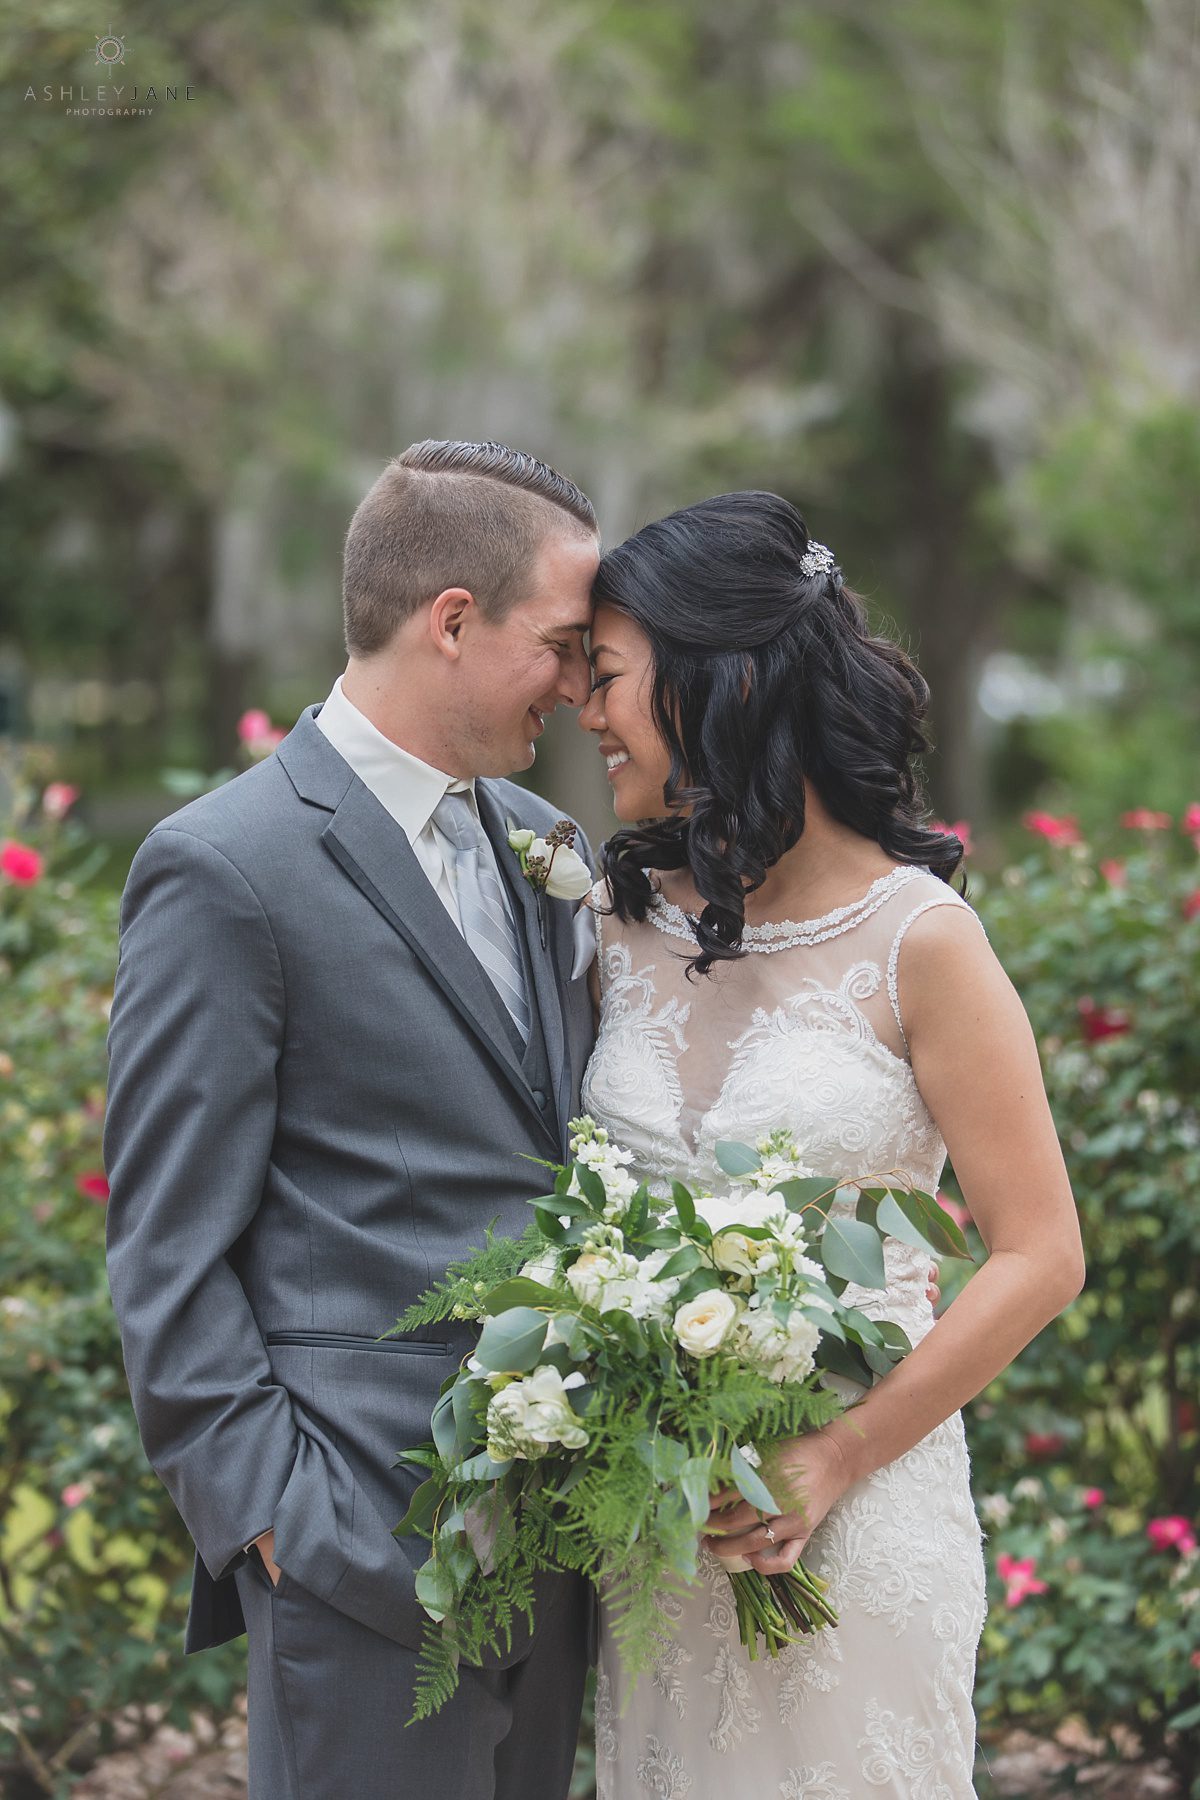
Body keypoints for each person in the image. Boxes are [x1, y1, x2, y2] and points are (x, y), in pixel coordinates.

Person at [104, 440, 602, 1800]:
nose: (578, 684)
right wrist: (278, 1521)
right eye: (560, 645)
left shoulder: (551, 844)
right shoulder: (228, 867)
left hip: (561, 1553)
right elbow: (162, 1248)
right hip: (358, 1558)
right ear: (452, 620)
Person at [576, 490, 1085, 1798]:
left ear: (713, 681)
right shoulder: (617, 925)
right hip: (661, 1541)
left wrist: (836, 1452)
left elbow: (1040, 1256)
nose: (584, 712)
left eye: (610, 677)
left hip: (860, 1521)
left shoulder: (924, 942)